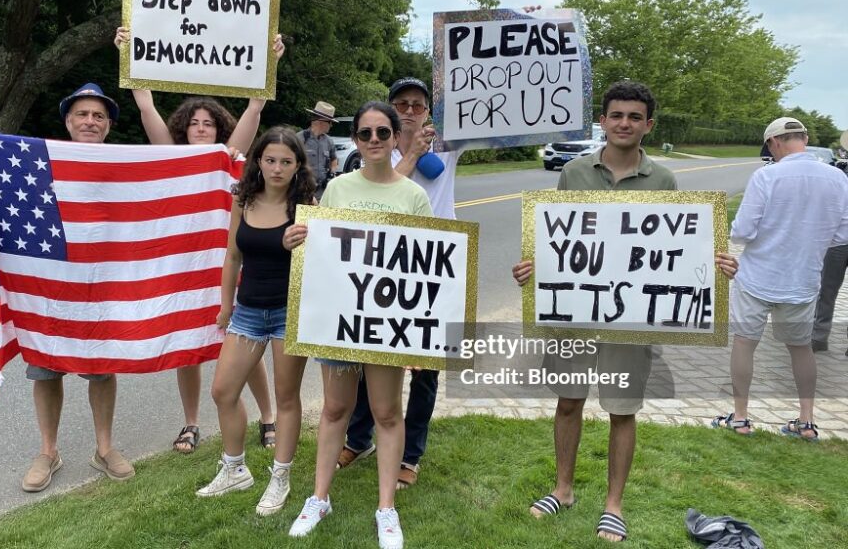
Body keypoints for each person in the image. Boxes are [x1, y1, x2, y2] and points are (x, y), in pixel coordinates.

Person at [512, 81, 738, 543]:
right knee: (568, 401)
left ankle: (613, 505)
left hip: (631, 317)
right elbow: (556, 238)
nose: (624, 123)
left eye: (635, 117)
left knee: (621, 409)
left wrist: (713, 266)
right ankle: (563, 489)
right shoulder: (573, 172)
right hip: (576, 312)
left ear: (648, 125)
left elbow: (676, 247)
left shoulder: (664, 181)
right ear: (603, 120)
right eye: (617, 115)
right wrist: (532, 269)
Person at [0, 83, 135, 491]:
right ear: (68, 120)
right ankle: (48, 451)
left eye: (98, 116)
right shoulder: (38, 161)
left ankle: (104, 448)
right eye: (82, 114)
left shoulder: (125, 163)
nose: (90, 121)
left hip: (100, 286)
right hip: (51, 286)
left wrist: (215, 158)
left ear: (108, 125)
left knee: (102, 370)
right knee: (46, 369)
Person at [114, 28, 282, 454]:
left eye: (209, 123)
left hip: (226, 263)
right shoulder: (169, 157)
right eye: (194, 123)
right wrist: (130, 56)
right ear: (182, 129)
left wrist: (269, 63)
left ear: (219, 128)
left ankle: (268, 416)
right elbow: (145, 106)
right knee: (186, 348)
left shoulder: (229, 157)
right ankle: (191, 424)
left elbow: (255, 109)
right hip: (183, 267)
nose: (202, 128)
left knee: (246, 342)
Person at [284, 101, 432, 549]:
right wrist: (297, 241)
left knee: (387, 413)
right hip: (339, 320)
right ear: (357, 138)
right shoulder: (338, 189)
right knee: (333, 410)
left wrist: (420, 343)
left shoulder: (413, 196)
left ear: (393, 137)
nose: (372, 141)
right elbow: (323, 252)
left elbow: (423, 271)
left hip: (386, 323)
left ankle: (386, 508)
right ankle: (319, 497)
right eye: (365, 133)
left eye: (381, 133)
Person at [338, 78, 457, 490]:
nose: (410, 110)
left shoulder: (447, 146)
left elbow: (502, 118)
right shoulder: (376, 153)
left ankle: (410, 455)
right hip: (378, 266)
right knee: (368, 357)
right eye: (401, 104)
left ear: (428, 111)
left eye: (418, 105)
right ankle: (359, 439)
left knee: (424, 371)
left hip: (429, 270)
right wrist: (410, 153)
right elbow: (393, 188)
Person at [193, 127, 317, 517]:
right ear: (258, 162)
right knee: (223, 391)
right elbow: (233, 256)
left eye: (286, 161)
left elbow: (323, 262)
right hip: (247, 311)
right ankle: (235, 468)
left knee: (285, 399)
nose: (277, 168)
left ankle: (280, 475)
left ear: (298, 166)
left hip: (288, 313)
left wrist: (299, 245)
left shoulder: (306, 205)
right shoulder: (242, 199)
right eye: (270, 160)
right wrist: (225, 305)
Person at [713, 116, 848, 441]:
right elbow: (843, 233)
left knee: (745, 342)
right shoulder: (837, 178)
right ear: (803, 138)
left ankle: (741, 418)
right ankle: (806, 421)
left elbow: (743, 231)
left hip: (758, 276)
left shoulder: (766, 176)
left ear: (774, 143)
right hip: (803, 280)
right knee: (801, 349)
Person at [811, 244, 848, 353]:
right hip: (837, 243)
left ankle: (818, 337)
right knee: (826, 291)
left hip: (836, 243)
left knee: (826, 293)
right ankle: (818, 338)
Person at [296, 101, 339, 196]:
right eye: (330, 122)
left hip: (322, 191)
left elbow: (334, 160)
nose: (331, 125)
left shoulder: (329, 141)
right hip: (302, 190)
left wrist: (331, 174)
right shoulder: (299, 138)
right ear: (321, 122)